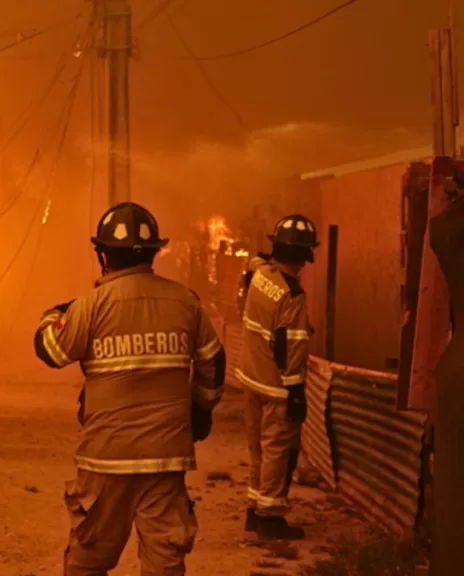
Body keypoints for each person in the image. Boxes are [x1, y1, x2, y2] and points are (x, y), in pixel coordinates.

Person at [33, 202, 226, 576]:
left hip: (106, 458)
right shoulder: (186, 301)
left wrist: (56, 314)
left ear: (103, 255)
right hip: (166, 457)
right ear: (154, 252)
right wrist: (200, 410)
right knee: (164, 561)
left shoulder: (90, 306)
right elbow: (213, 364)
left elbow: (50, 351)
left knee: (88, 561)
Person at [235, 214, 318, 541]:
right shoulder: (293, 294)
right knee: (276, 451)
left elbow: (254, 265)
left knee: (257, 450)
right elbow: (293, 349)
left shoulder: (259, 275)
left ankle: (254, 512)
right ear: (304, 256)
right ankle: (270, 519)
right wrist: (296, 392)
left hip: (250, 377)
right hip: (275, 387)